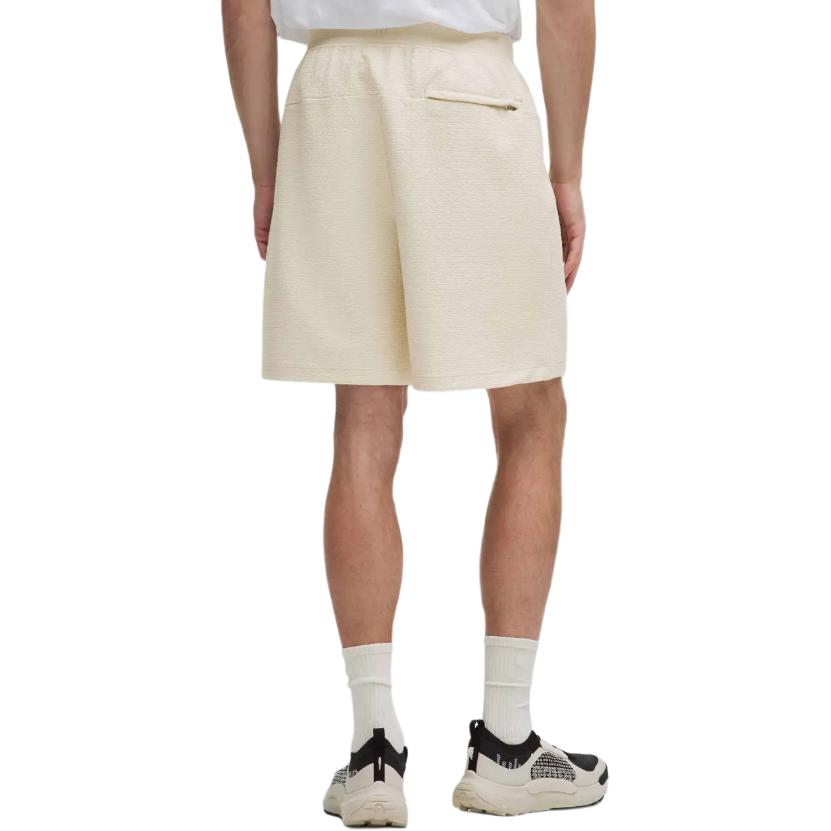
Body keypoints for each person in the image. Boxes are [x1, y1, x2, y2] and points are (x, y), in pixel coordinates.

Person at [223, 0, 604, 824]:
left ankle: (372, 753)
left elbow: (243, 7)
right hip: (467, 93)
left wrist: (266, 168)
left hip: (331, 102)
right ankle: (506, 744)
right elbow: (564, 5)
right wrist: (567, 172)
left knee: (363, 421)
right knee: (530, 408)